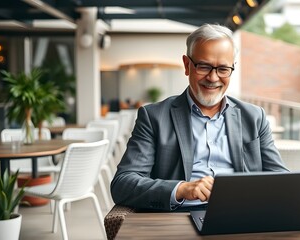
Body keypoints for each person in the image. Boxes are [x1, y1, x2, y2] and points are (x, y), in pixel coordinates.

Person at [111, 23, 288, 212]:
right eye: (204, 66)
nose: (213, 78)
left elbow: (281, 179)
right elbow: (123, 184)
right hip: (181, 215)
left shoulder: (254, 117)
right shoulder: (154, 117)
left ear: (232, 69)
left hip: (242, 213)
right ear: (187, 65)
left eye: (222, 69)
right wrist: (181, 189)